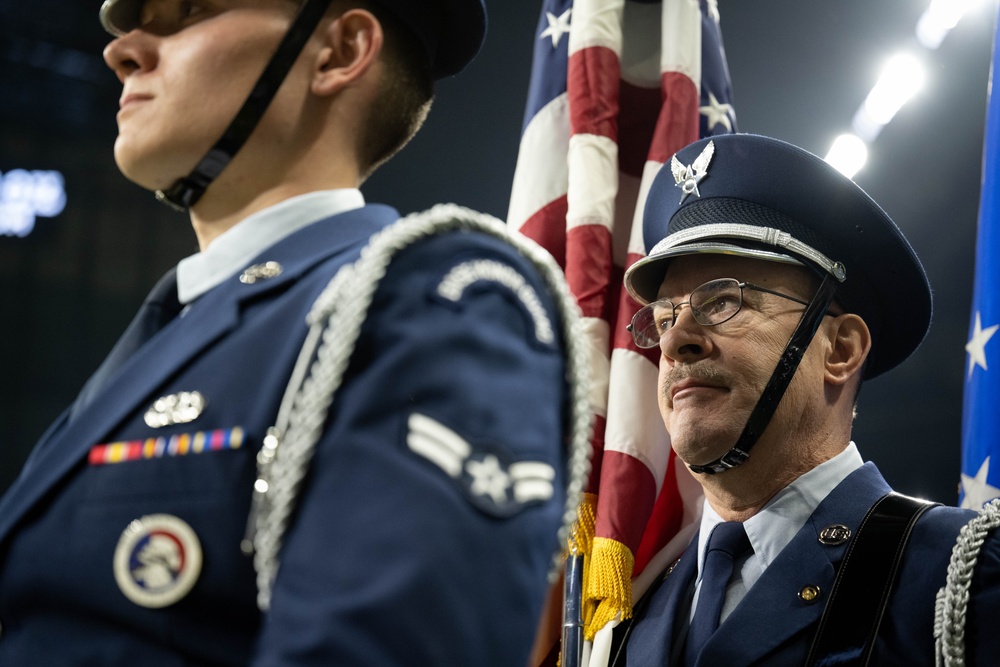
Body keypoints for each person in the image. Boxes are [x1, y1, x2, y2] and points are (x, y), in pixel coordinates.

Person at [0, 0, 589, 664]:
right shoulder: (172, 327)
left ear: (339, 51)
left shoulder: (436, 301)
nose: (123, 48)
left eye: (187, 11)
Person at [608, 133, 1000, 666]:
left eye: (723, 300)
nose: (676, 341)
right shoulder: (632, 613)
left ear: (840, 349)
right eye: (663, 319)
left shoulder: (960, 576)